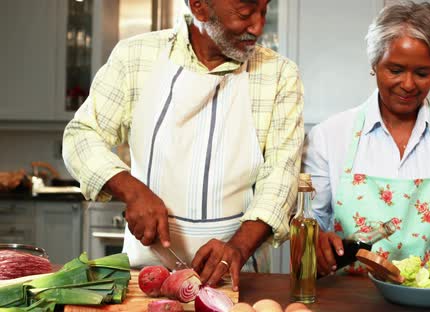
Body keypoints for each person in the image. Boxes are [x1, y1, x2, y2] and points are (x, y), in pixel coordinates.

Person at [62, 0, 303, 291]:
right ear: (200, 7)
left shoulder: (279, 75)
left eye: (264, 11)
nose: (258, 26)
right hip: (145, 277)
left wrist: (238, 247)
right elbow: (81, 134)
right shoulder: (135, 56)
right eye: (245, 13)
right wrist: (131, 189)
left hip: (237, 278)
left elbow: (280, 176)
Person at [303, 1, 430, 276]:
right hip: (352, 297)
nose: (407, 84)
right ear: (374, 64)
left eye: (422, 73)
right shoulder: (329, 136)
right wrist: (316, 242)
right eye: (395, 70)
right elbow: (311, 222)